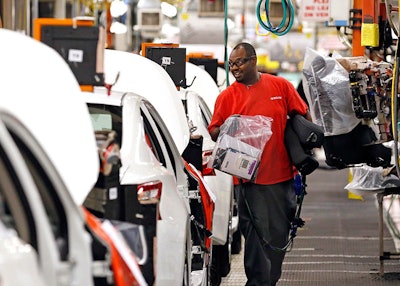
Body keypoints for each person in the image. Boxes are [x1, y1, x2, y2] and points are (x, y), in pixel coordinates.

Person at [208, 42, 312, 286]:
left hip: (281, 177)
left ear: (253, 60)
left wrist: (302, 143)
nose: (234, 68)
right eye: (231, 64)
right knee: (254, 238)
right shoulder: (227, 97)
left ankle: (269, 280)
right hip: (247, 180)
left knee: (278, 237)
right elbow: (214, 130)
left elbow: (303, 115)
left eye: (239, 62)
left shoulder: (281, 86)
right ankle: (257, 282)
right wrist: (230, 127)